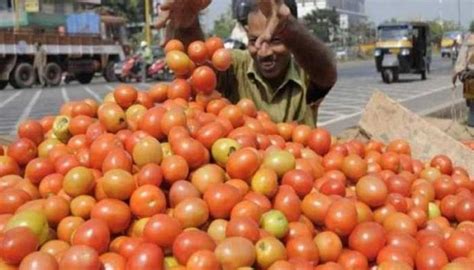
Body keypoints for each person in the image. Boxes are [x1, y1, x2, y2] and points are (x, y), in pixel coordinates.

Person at [156, 0, 337, 126]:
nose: (264, 52)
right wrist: (187, 24)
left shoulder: (305, 67)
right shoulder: (235, 66)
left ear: (291, 42)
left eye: (276, 41)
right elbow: (199, 70)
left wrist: (291, 29)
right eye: (254, 41)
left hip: (301, 173)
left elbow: (326, 72)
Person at [453, 33, 474, 127]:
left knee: (471, 106)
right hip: (470, 78)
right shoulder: (469, 40)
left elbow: (460, 63)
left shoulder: (468, 39)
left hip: (469, 79)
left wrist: (457, 74)